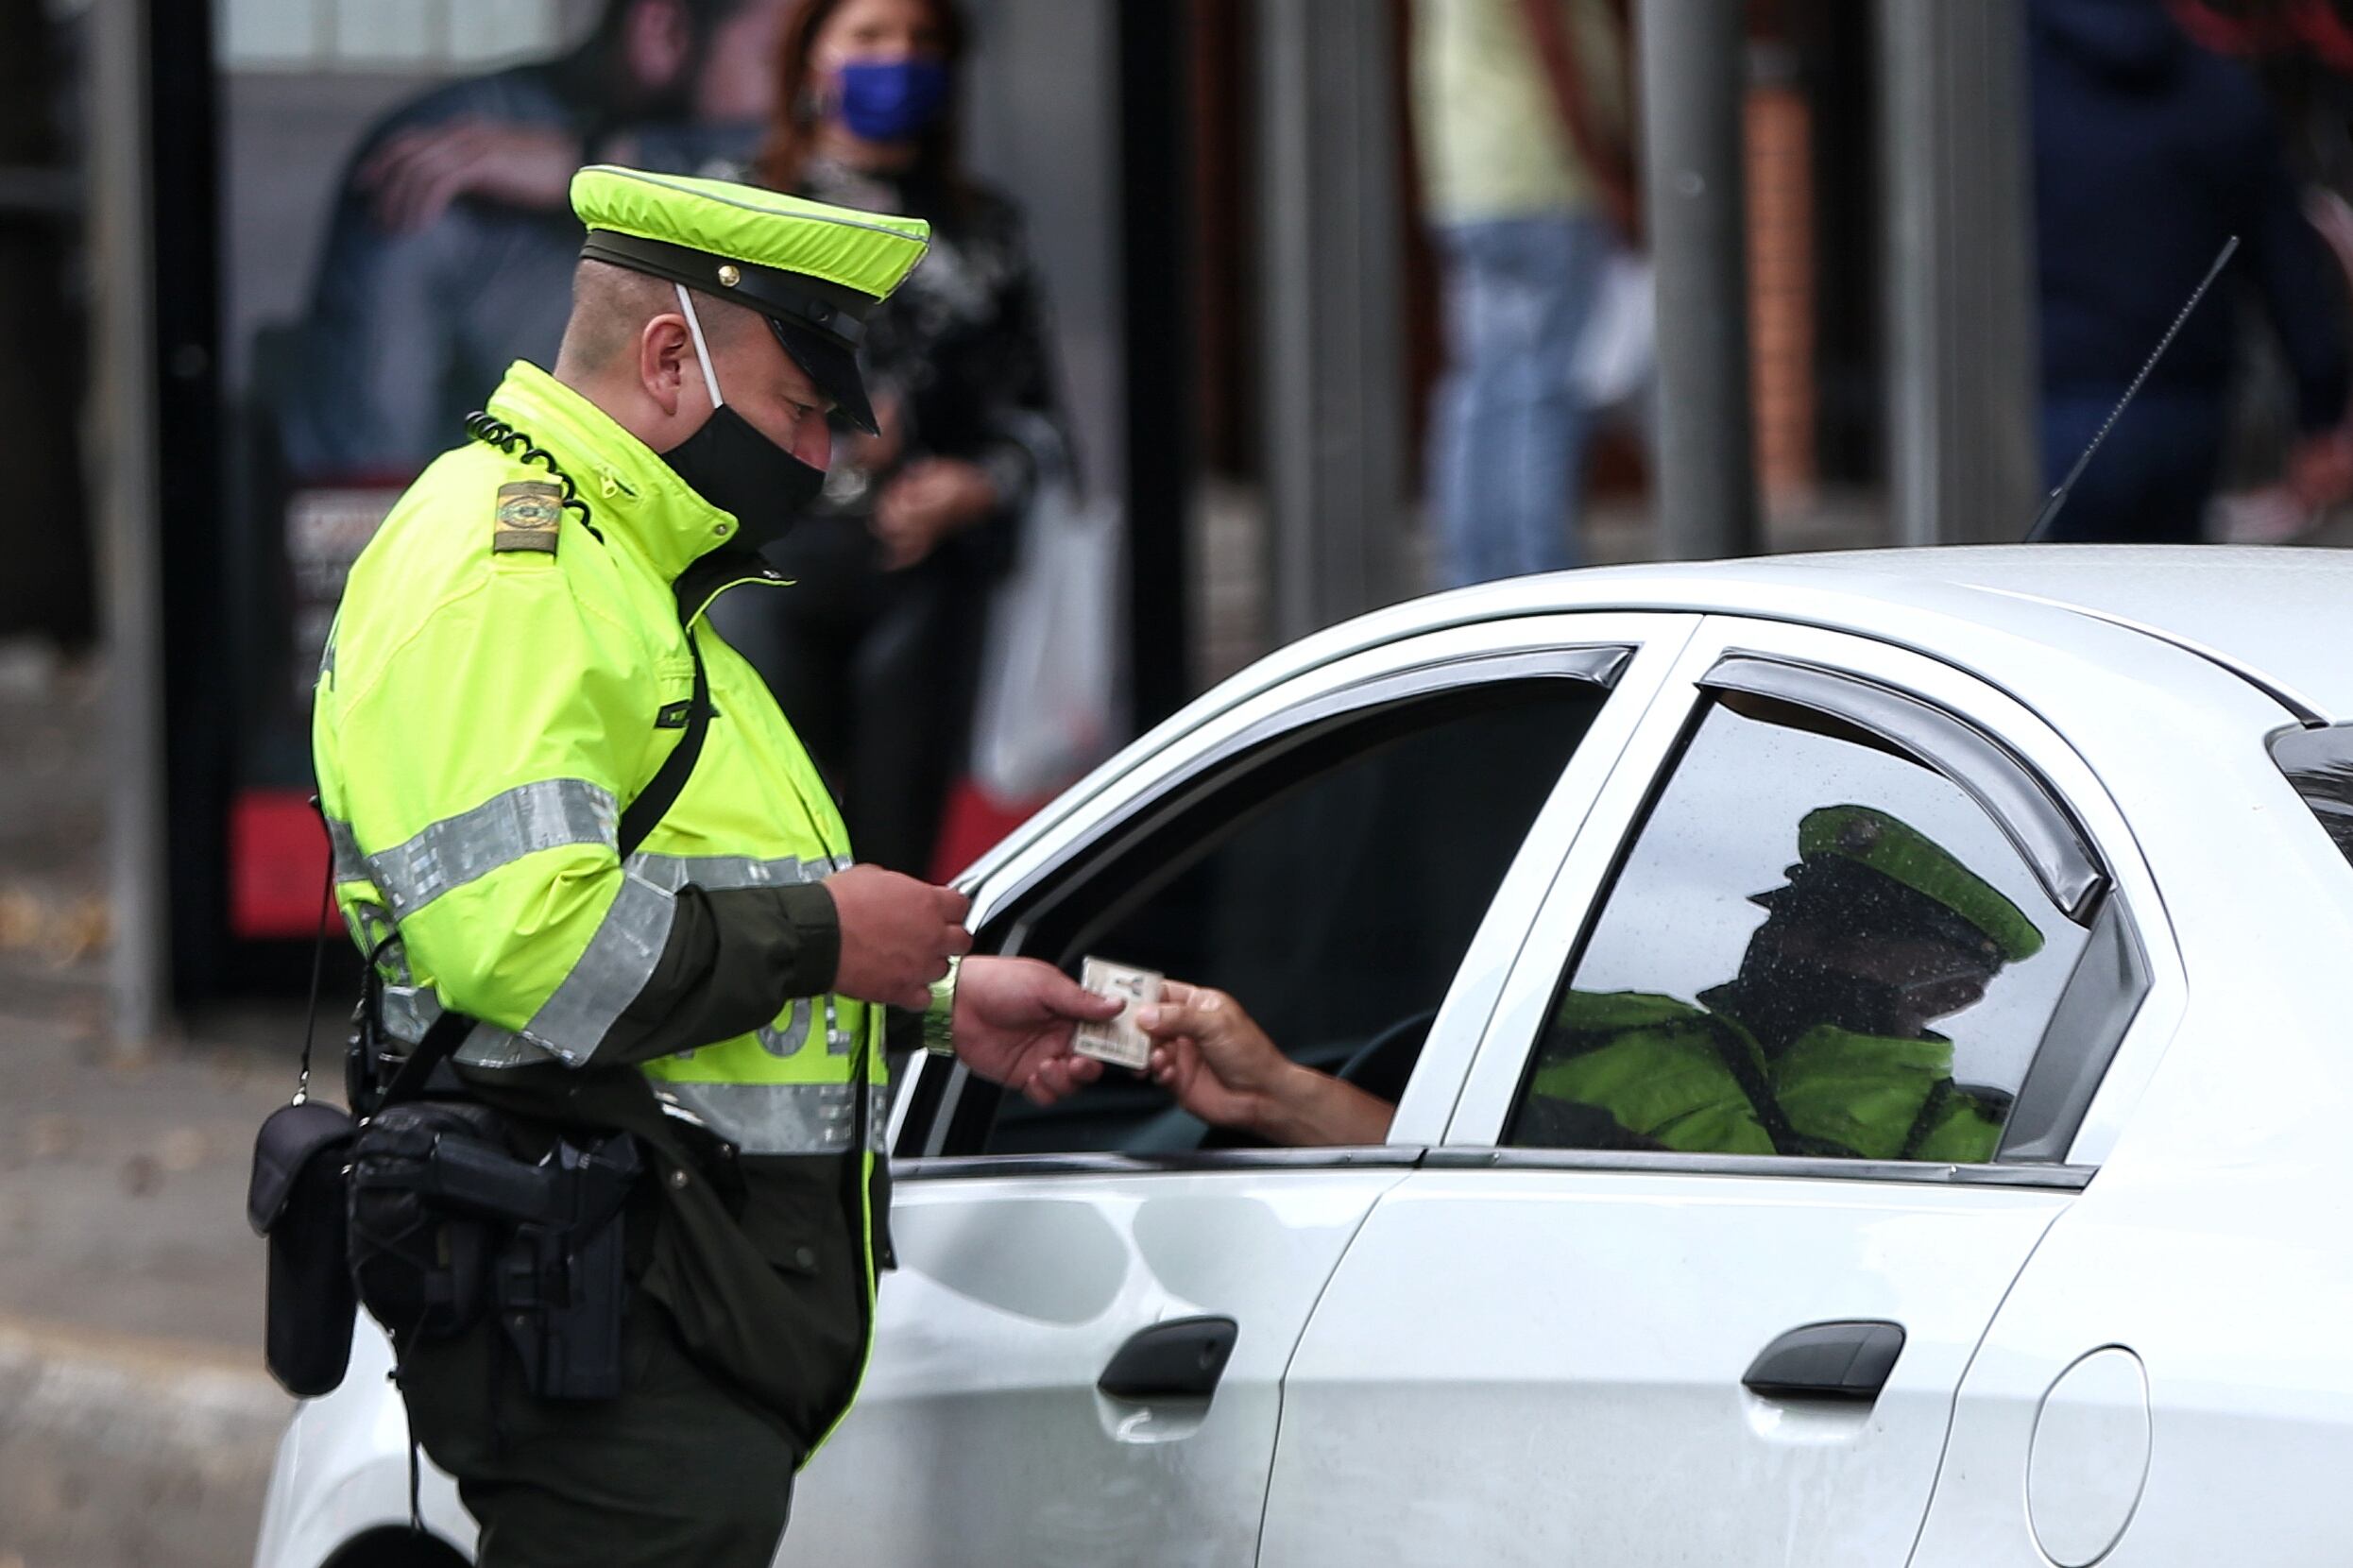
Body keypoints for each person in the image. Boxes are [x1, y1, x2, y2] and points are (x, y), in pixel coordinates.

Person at [313, 163, 1120, 1567]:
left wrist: (926, 1000)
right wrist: (828, 936)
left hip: (657, 1304)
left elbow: (673, 893)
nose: (822, 462)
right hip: (607, 1318)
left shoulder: (626, 577)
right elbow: (531, 948)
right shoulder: (514, 576)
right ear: (671, 359)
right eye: (804, 414)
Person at [1027, 806, 2036, 1164]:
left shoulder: (1988, 1145)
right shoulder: (1603, 1031)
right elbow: (1436, 1186)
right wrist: (1272, 1093)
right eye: (1793, 909)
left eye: (1851, 930)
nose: (1794, 938)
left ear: (1952, 988)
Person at [707, 0, 1066, 876]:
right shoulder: (740, 205)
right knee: (772, 858)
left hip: (924, 582)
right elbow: (673, 385)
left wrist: (973, 484)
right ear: (811, 61)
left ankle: (885, 1020)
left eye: (919, 42)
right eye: (868, 38)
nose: (897, 60)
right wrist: (807, 419)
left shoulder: (985, 229)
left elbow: (1039, 422)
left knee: (895, 864)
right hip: (765, 566)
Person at [280, 0, 791, 479]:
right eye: (777, 62)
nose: (801, 96)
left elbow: (803, 180)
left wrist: (594, 163)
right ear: (664, 33)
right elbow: (366, 456)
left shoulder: (770, 158)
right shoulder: (448, 159)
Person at [2029, 0, 2353, 542]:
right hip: (2184, 418)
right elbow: (2287, 268)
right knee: (2156, 601)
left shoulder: (2003, 93)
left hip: (2051, 402)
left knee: (2028, 608)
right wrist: (2319, 414)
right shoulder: (2220, 90)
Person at [1412, 0, 1632, 587]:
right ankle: (1539, 579)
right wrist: (1607, 171)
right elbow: (1552, 42)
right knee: (1543, 392)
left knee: (1483, 389)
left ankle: (1472, 578)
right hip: (1543, 178)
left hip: (1472, 183)